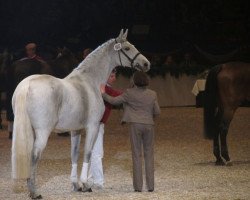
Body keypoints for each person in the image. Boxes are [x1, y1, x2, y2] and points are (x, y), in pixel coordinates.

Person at [100, 71, 160, 192]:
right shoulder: (152, 94)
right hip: (149, 125)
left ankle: (138, 187)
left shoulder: (129, 93)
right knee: (149, 155)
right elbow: (157, 112)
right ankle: (151, 186)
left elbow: (113, 101)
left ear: (134, 81)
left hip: (135, 125)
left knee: (136, 155)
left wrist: (103, 93)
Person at [86, 69, 122, 191]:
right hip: (97, 124)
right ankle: (98, 182)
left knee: (94, 152)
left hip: (96, 124)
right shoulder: (105, 88)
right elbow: (120, 95)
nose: (114, 78)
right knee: (97, 153)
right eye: (111, 76)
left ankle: (89, 179)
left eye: (114, 75)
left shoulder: (101, 87)